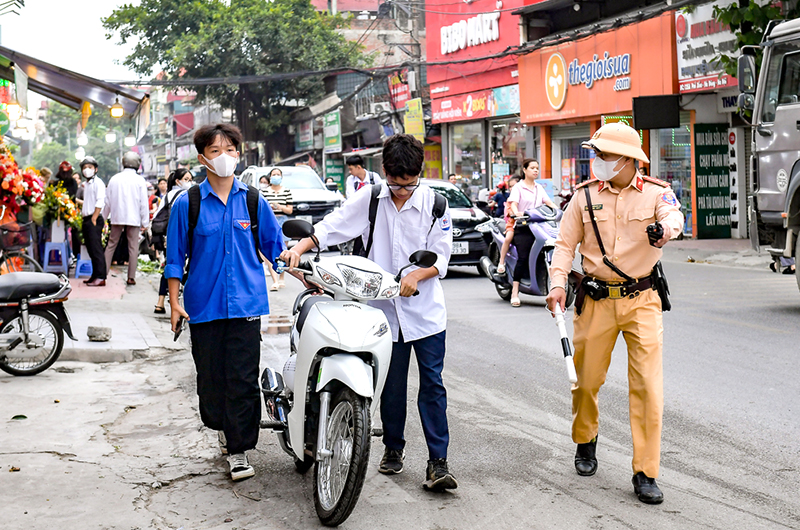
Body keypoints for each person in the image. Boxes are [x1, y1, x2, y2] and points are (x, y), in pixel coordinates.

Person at [280, 134, 458, 492]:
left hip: (425, 313)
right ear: (384, 172)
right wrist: (299, 246)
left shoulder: (436, 204)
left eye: (409, 184)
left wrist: (416, 275)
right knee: (390, 387)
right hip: (381, 314)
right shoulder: (372, 197)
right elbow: (333, 225)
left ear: (419, 173)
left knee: (432, 386)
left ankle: (438, 463)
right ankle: (393, 449)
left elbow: (441, 255)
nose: (402, 191)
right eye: (395, 184)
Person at [545, 122, 684, 505]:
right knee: (586, 382)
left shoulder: (658, 193)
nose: (597, 161)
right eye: (597, 154)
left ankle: (646, 471)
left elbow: (674, 218)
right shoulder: (583, 197)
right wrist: (558, 283)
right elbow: (563, 244)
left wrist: (664, 231)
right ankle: (586, 439)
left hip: (643, 300)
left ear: (626, 160)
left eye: (603, 155)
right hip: (596, 301)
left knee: (648, 389)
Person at [165, 123, 283, 482]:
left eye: (231, 149)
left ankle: (239, 450)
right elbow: (174, 258)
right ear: (203, 158)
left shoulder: (253, 200)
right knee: (212, 382)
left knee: (243, 380)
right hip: (204, 307)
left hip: (246, 305)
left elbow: (275, 248)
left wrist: (306, 274)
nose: (225, 157)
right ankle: (222, 426)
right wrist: (174, 303)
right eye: (216, 151)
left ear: (239, 153)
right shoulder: (188, 203)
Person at [506, 159, 556, 307]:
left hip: (539, 226)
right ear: (525, 170)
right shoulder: (518, 188)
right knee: (523, 257)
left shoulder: (539, 187)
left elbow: (548, 202)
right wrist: (517, 214)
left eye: (537, 168)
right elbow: (513, 204)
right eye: (532, 168)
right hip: (523, 226)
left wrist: (559, 211)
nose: (536, 170)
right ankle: (515, 292)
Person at [102, 151, 150, 286]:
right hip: (134, 218)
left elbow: (107, 201)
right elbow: (143, 203)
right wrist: (145, 222)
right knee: (133, 247)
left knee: (111, 245)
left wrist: (103, 218)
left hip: (117, 217)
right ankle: (131, 277)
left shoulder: (114, 179)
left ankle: (103, 274)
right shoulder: (140, 180)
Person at [153, 169, 193, 313]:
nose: (189, 182)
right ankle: (178, 301)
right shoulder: (186, 196)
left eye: (190, 179)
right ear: (178, 181)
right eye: (186, 179)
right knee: (179, 267)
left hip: (169, 237)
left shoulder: (168, 195)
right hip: (182, 237)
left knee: (170, 267)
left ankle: (161, 301)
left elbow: (157, 215)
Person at [259, 169, 293, 290]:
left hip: (283, 221)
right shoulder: (263, 192)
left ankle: (282, 277)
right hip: (269, 221)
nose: (276, 177)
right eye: (274, 175)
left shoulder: (287, 191)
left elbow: (290, 210)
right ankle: (275, 280)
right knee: (269, 250)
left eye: (278, 175)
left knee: (283, 251)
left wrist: (280, 206)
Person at [78, 157, 107, 287]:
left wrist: (94, 217)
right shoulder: (87, 184)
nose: (87, 170)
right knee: (90, 248)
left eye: (90, 167)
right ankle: (95, 275)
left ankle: (101, 277)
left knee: (96, 249)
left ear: (95, 169)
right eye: (84, 167)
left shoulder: (98, 183)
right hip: (87, 218)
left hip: (94, 218)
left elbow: (100, 201)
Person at [496, 175, 520, 276]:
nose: (512, 188)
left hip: (527, 223)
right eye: (510, 186)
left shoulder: (525, 196)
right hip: (512, 223)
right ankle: (501, 262)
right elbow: (509, 212)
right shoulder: (510, 199)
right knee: (508, 238)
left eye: (514, 186)